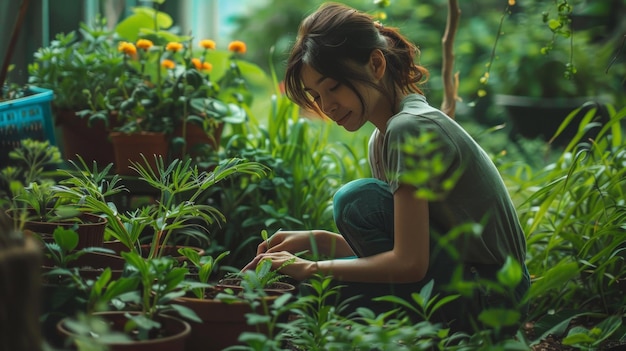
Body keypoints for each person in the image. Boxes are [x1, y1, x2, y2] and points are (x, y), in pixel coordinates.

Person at [243, 2, 530, 336]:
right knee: (332, 269)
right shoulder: (382, 139)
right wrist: (317, 242)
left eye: (333, 86)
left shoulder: (409, 128)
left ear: (376, 64)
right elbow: (400, 249)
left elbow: (410, 263)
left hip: (490, 297)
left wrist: (311, 268)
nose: (327, 105)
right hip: (475, 285)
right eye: (316, 95)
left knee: (351, 212)